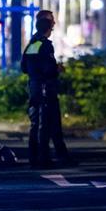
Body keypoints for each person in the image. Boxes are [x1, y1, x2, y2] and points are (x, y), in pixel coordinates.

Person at [21, 9, 70, 167]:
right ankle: (44, 158)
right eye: (51, 22)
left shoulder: (32, 44)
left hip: (34, 87)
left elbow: (24, 67)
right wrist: (57, 69)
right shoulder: (45, 45)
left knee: (37, 124)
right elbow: (48, 69)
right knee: (46, 124)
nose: (53, 24)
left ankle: (35, 157)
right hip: (45, 89)